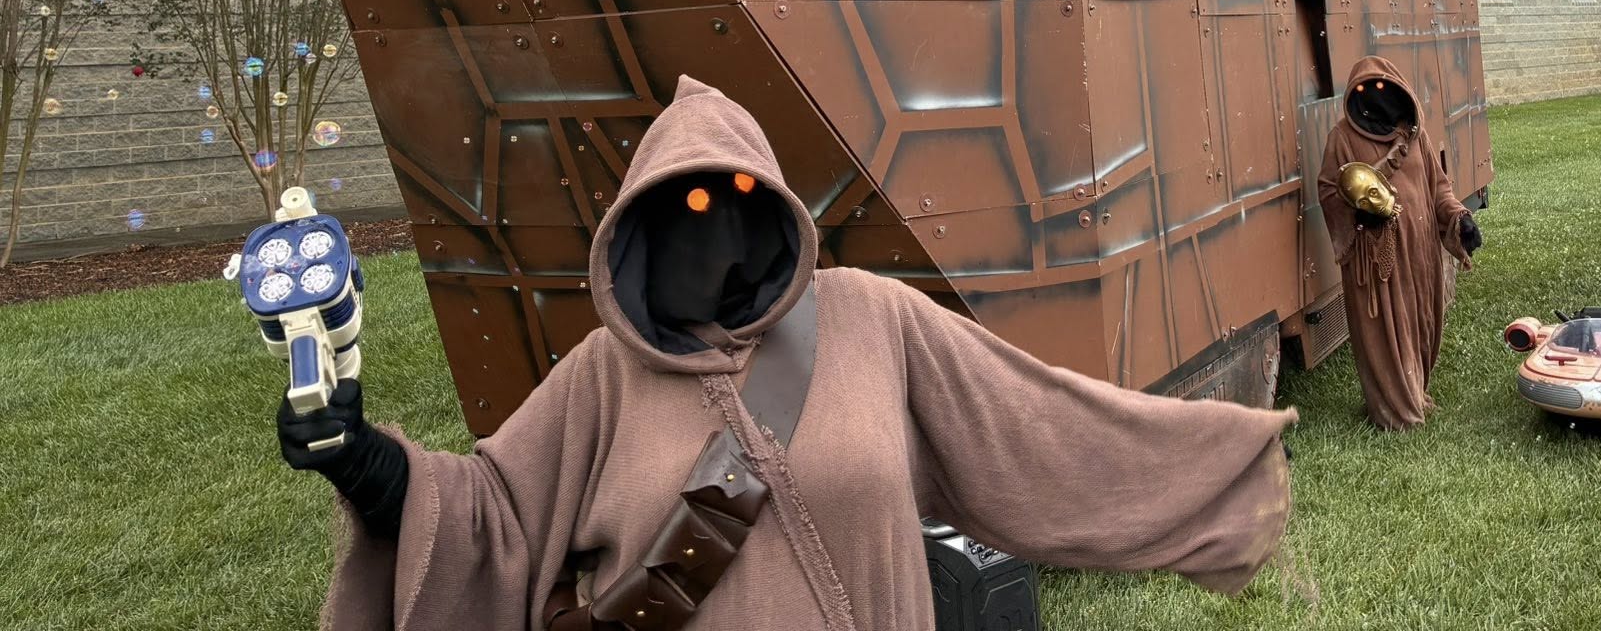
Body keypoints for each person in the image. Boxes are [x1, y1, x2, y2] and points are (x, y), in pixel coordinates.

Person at [284, 77, 1296, 630]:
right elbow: (494, 516)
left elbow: (1036, 426)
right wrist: (372, 470)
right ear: (636, 226)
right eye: (683, 203)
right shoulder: (601, 376)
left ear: (772, 208)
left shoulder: (872, 320)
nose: (712, 225)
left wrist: (1215, 466)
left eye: (735, 198)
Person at [1316, 56, 1480, 430]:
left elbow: (1439, 188)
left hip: (1421, 253)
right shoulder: (1342, 138)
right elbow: (1328, 190)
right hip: (1377, 258)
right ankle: (1397, 412)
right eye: (1366, 89)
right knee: (1385, 331)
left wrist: (1460, 219)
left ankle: (1415, 391)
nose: (1376, 96)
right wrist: (1360, 215)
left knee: (1422, 322)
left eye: (1383, 87)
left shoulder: (1414, 136)